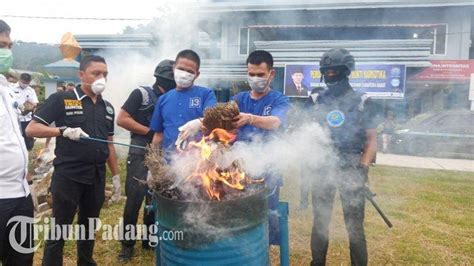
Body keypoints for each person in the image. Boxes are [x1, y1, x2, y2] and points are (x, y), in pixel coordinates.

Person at [26, 55, 120, 266]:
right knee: (60, 228)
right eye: (96, 73)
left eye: (105, 74)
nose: (101, 78)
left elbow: (109, 144)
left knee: (88, 226)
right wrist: (62, 131)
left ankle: (85, 261)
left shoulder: (108, 108)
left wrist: (115, 177)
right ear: (81, 75)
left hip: (96, 176)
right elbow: (32, 129)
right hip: (69, 176)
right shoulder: (63, 99)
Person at [307, 48, 377, 266]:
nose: (330, 76)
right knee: (320, 222)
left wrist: (362, 169)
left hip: (352, 166)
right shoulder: (316, 99)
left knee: (354, 226)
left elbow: (371, 140)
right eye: (326, 72)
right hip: (323, 166)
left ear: (346, 71)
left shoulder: (363, 101)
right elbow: (306, 132)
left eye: (335, 71)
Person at [116, 59, 176, 262]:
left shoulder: (173, 97)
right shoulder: (141, 94)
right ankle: (127, 245)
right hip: (140, 151)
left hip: (162, 153)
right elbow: (122, 119)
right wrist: (151, 132)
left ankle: (150, 240)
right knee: (135, 198)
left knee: (156, 197)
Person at [232, 50, 290, 245]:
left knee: (266, 219)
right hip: (239, 169)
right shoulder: (239, 99)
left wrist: (250, 118)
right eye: (251, 74)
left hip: (268, 170)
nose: (255, 78)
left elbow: (276, 122)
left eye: (260, 74)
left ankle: (262, 252)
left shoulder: (279, 100)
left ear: (271, 74)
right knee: (239, 218)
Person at [0, 19, 35, 266]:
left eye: (9, 46)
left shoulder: (6, 88)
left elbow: (12, 135)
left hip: (21, 193)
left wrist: (24, 168)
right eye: (2, 45)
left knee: (21, 259)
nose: (7, 52)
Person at [151, 49, 217, 152]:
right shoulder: (163, 99)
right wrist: (153, 161)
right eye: (181, 69)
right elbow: (159, 134)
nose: (184, 74)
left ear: (197, 74)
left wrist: (199, 123)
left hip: (197, 161)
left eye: (190, 71)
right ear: (173, 68)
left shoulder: (206, 95)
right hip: (168, 162)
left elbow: (214, 120)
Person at [11, 72, 38, 151]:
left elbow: (35, 102)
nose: (25, 84)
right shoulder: (11, 88)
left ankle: (28, 149)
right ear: (20, 80)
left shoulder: (30, 90)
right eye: (23, 82)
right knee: (16, 135)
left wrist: (32, 105)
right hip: (14, 117)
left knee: (27, 136)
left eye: (27, 83)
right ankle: (16, 150)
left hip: (26, 117)